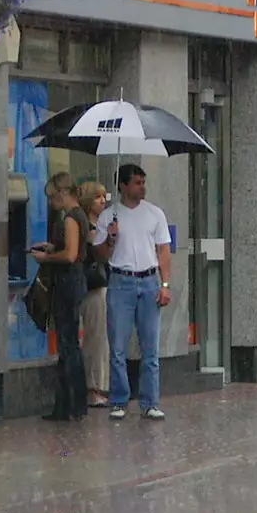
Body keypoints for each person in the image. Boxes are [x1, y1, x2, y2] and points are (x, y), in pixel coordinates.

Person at [92, 163, 173, 421]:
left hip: (149, 280)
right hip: (120, 281)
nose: (142, 187)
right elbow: (100, 255)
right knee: (117, 345)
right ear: (124, 186)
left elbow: (163, 251)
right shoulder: (108, 216)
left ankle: (150, 401)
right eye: (137, 182)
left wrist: (165, 284)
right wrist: (110, 238)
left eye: (143, 182)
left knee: (150, 347)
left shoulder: (154, 214)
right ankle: (119, 400)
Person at [30, 173, 89, 422]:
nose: (52, 203)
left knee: (67, 344)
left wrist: (46, 258)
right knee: (69, 344)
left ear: (63, 194)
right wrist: (53, 247)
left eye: (53, 197)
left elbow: (71, 255)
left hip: (67, 283)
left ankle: (70, 405)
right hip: (75, 283)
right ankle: (72, 404)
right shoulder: (80, 216)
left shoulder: (71, 218)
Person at [77, 181, 111, 407]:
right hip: (93, 288)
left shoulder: (101, 224)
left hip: (102, 286)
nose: (103, 201)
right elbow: (99, 253)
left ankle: (101, 385)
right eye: (98, 197)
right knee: (95, 338)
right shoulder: (88, 227)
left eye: (104, 197)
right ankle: (93, 387)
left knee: (103, 339)